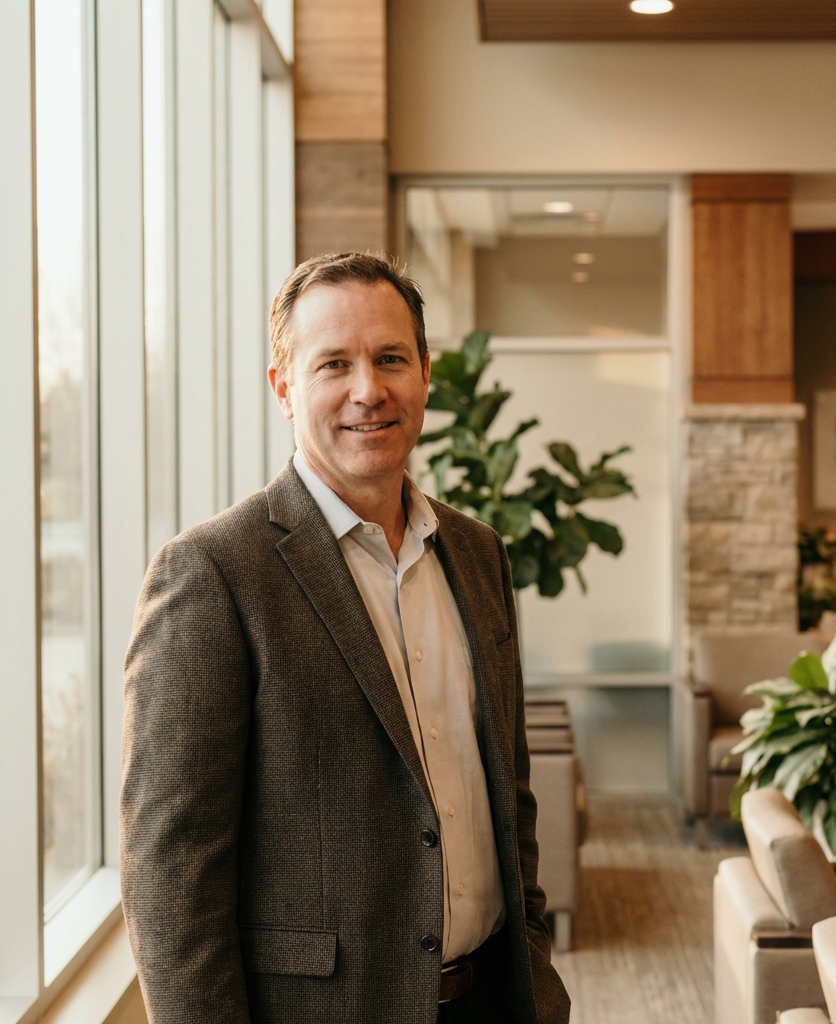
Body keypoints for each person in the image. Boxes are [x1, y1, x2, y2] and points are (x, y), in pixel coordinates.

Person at [119, 252, 571, 1024]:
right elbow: (170, 873)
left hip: (493, 998)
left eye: (391, 358)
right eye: (334, 363)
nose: (370, 389)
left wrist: (529, 946)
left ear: (426, 374)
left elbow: (509, 793)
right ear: (284, 386)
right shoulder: (212, 575)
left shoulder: (478, 555)